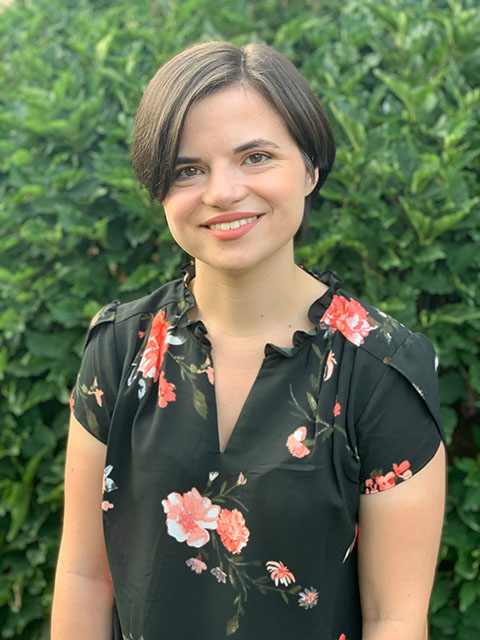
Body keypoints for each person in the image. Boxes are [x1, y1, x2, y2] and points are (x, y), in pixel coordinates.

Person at [51, 41, 446, 640]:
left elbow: (393, 619)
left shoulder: (380, 371)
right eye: (189, 169)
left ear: (310, 169)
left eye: (256, 156)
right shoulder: (121, 349)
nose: (222, 192)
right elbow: (85, 578)